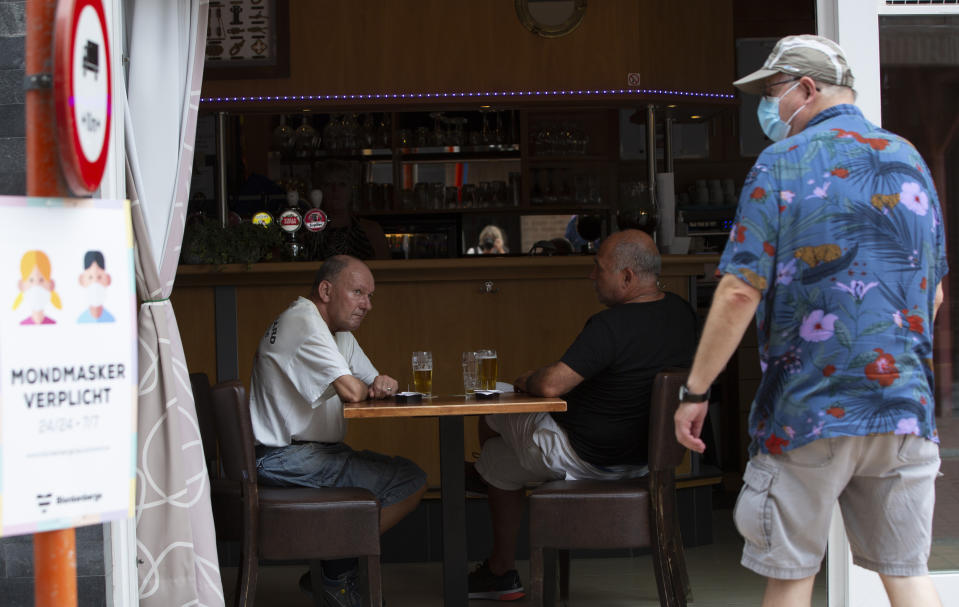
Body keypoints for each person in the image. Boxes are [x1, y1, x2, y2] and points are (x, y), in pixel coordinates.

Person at [673, 35, 946, 607]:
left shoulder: (781, 163)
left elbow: (738, 293)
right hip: (901, 406)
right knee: (907, 574)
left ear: (805, 88)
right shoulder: (910, 158)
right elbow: (936, 293)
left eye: (772, 91)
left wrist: (696, 390)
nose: (767, 108)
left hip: (809, 405)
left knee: (793, 574)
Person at [467, 229, 697, 600]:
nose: (591, 276)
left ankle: (499, 558)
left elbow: (551, 385)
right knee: (499, 460)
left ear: (626, 278)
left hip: (583, 455)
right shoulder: (682, 314)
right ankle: (495, 485)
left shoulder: (609, 327)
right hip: (647, 462)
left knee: (492, 407)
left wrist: (526, 378)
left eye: (598, 268)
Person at [249, 254, 427, 607]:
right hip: (284, 458)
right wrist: (368, 386)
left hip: (312, 454)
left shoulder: (336, 334)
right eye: (359, 292)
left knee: (407, 477)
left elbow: (374, 383)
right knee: (409, 482)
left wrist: (381, 383)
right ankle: (335, 573)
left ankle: (332, 569)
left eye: (370, 295)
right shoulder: (303, 323)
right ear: (326, 290)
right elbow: (353, 391)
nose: (368, 305)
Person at [312, 160, 390, 260]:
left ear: (351, 190)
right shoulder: (310, 233)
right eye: (328, 184)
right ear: (318, 191)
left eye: (342, 184)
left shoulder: (371, 231)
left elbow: (385, 269)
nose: (335, 190)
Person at [13, 250, 62, 325]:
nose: (36, 285)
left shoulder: (53, 323)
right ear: (21, 285)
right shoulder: (22, 324)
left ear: (51, 285)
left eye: (41, 280)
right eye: (31, 280)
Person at [77, 250, 114, 323]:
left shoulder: (111, 319)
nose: (95, 283)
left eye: (99, 277)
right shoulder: (80, 321)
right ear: (81, 280)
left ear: (108, 279)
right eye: (90, 277)